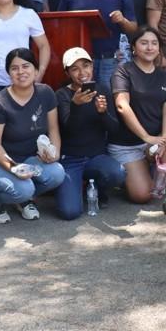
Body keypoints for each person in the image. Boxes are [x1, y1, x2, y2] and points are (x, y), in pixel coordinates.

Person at [0, 48, 65, 223]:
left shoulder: (45, 93)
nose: (21, 72)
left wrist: (54, 153)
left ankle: (22, 199)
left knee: (57, 173)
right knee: (24, 189)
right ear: (8, 73)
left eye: (26, 66)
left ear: (35, 69)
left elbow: (54, 129)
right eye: (14, 68)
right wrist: (13, 168)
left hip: (30, 159)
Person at [109, 27, 166, 204]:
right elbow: (122, 106)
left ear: (159, 48)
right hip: (127, 144)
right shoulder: (123, 71)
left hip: (154, 139)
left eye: (154, 43)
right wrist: (146, 137)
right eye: (144, 43)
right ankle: (137, 172)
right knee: (142, 195)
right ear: (134, 47)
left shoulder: (165, 76)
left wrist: (165, 137)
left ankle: (151, 165)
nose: (150, 47)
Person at [54, 48, 125, 220]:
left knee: (118, 172)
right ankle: (73, 187)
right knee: (69, 212)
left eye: (86, 66)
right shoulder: (61, 95)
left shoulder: (102, 89)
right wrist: (76, 106)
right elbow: (68, 129)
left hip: (96, 156)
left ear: (92, 67)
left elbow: (114, 129)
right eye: (75, 68)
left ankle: (97, 189)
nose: (82, 72)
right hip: (70, 159)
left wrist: (103, 113)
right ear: (68, 72)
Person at [58, 0, 137, 87]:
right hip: (77, 62)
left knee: (108, 100)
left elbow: (133, 29)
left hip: (109, 59)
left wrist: (122, 20)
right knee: (81, 101)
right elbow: (59, 23)